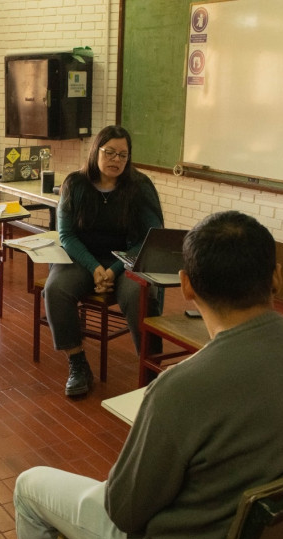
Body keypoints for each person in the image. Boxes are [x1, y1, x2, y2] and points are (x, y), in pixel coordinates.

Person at [0, 211, 283, 539]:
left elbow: (124, 511)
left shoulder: (181, 387)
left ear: (186, 285)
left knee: (30, 487)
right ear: (277, 276)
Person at [46, 125, 164, 396]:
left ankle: (151, 371)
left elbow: (150, 236)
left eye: (123, 155)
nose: (116, 160)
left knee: (138, 294)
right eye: (109, 152)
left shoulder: (139, 186)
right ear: (95, 151)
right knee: (56, 289)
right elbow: (66, 235)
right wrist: (95, 267)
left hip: (127, 260)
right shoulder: (75, 184)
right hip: (81, 257)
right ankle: (77, 363)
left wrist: (112, 270)